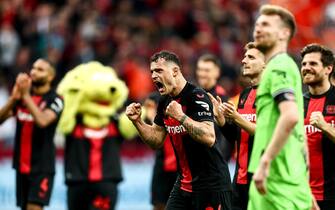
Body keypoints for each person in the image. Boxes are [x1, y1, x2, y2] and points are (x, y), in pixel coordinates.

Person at [126, 51, 232, 210]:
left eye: (159, 71)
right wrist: (137, 122)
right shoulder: (164, 101)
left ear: (175, 71)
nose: (154, 76)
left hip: (211, 185)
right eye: (152, 72)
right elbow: (156, 140)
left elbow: (209, 137)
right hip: (183, 184)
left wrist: (181, 117)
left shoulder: (197, 96)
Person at [247, 4, 313, 210]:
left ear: (284, 33)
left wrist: (265, 161)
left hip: (275, 178)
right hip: (287, 176)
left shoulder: (279, 66)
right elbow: (299, 130)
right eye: (257, 24)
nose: (258, 28)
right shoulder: (282, 66)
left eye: (266, 24)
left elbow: (291, 116)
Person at [0, 58, 63, 210]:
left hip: (41, 168)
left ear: (50, 77)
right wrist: (14, 98)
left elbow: (42, 121)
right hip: (21, 167)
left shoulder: (55, 100)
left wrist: (25, 96)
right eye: (33, 68)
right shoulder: (21, 99)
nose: (34, 71)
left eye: (40, 69)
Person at [210, 42, 265, 210]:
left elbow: (266, 134)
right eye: (244, 56)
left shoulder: (273, 95)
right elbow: (237, 136)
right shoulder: (245, 95)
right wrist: (222, 121)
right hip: (240, 178)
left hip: (262, 179)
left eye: (250, 57)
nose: (243, 61)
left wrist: (236, 117)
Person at [301, 43, 335, 210]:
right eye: (304, 64)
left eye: (313, 63)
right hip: (302, 194)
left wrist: (326, 127)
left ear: (328, 68)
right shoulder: (296, 104)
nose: (306, 68)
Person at [195, 53, 233, 162]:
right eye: (200, 69)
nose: (202, 74)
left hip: (214, 162)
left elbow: (227, 135)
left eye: (206, 70)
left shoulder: (223, 99)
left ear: (217, 72)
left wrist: (221, 161)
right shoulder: (191, 94)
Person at [144, 92, 178, 210]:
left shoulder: (180, 102)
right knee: (158, 204)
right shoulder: (154, 99)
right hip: (161, 165)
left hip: (182, 167)